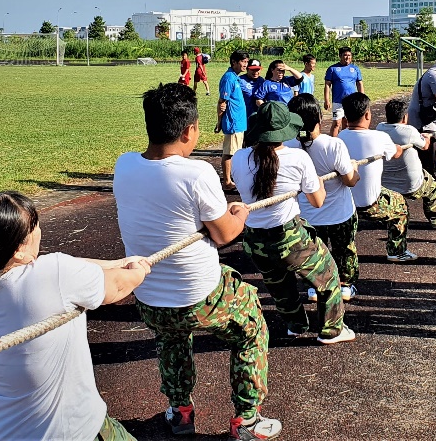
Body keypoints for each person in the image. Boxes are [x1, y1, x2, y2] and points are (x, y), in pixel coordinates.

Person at [113, 83, 281, 439]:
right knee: (251, 325)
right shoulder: (197, 172)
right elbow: (223, 234)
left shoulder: (124, 164)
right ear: (189, 130)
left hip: (149, 299)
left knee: (172, 339)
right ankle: (247, 420)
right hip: (200, 296)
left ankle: (180, 411)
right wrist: (240, 214)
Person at [0, 191, 150, 441]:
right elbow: (118, 287)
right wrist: (137, 270)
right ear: (18, 250)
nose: (39, 230)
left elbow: (64, 265)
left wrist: (117, 262)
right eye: (35, 226)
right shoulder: (54, 274)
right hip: (68, 431)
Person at [232, 101, 355, 345]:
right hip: (289, 236)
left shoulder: (238, 158)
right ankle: (332, 330)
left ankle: (295, 324)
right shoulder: (297, 157)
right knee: (328, 275)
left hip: (256, 238)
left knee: (279, 284)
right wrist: (315, 181)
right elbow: (317, 200)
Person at [283, 93, 362, 302]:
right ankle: (345, 285)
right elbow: (350, 181)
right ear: (319, 117)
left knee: (314, 253)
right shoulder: (332, 145)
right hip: (339, 214)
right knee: (344, 249)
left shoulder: (288, 146)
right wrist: (354, 169)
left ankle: (314, 286)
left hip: (308, 215)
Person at [338, 92, 417, 262]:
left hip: (344, 202)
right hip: (369, 202)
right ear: (367, 115)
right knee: (401, 207)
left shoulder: (338, 138)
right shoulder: (380, 137)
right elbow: (396, 153)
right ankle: (396, 251)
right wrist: (396, 147)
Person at [376, 98, 436, 229]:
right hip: (411, 184)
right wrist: (426, 138)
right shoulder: (408, 131)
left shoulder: (379, 128)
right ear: (404, 117)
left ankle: (386, 217)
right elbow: (425, 146)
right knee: (433, 187)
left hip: (385, 184)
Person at [217, 51, 250, 191]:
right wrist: (219, 122)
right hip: (233, 121)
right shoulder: (229, 78)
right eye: (243, 62)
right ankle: (227, 181)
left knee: (235, 152)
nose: (245, 65)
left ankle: (231, 179)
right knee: (230, 152)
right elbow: (222, 102)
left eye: (246, 62)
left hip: (239, 121)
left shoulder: (235, 77)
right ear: (234, 62)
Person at [324, 47, 365, 136]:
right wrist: (326, 100)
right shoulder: (332, 69)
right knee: (336, 123)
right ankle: (333, 143)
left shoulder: (355, 69)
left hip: (351, 102)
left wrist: (362, 98)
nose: (347, 57)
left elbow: (359, 84)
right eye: (345, 55)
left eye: (349, 55)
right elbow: (327, 85)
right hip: (338, 101)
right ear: (340, 56)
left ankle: (344, 142)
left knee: (347, 124)